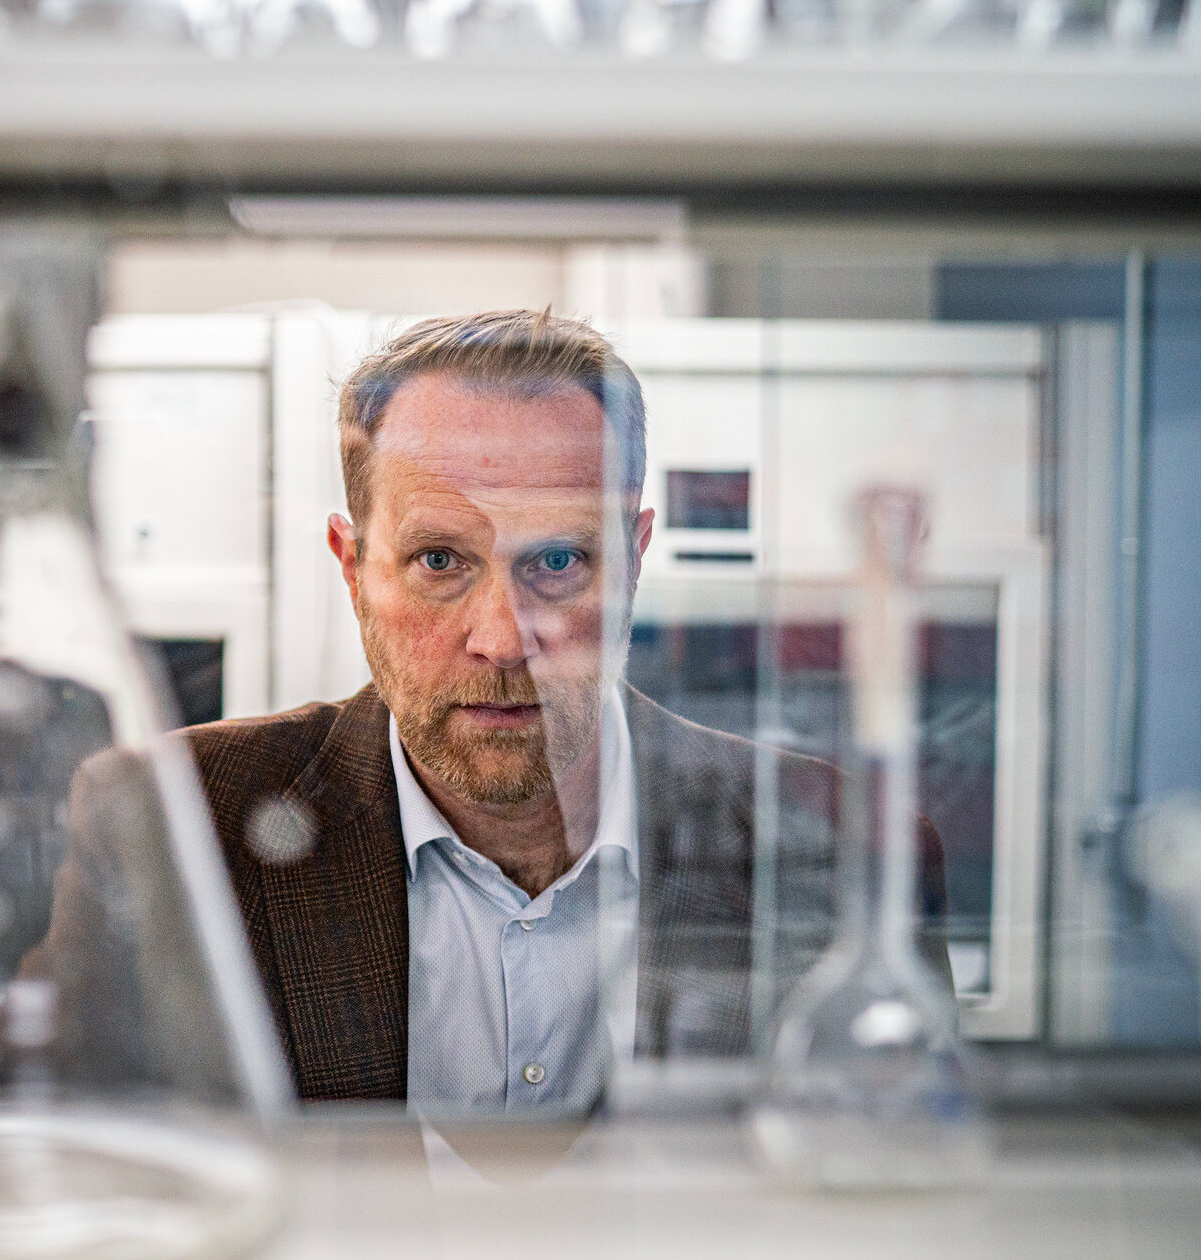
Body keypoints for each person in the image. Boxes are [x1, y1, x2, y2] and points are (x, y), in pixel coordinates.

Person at [181, 310, 950, 1111]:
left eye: (557, 559)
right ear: (353, 567)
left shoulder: (852, 850)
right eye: (439, 559)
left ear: (634, 559)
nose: (502, 640)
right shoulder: (181, 823)